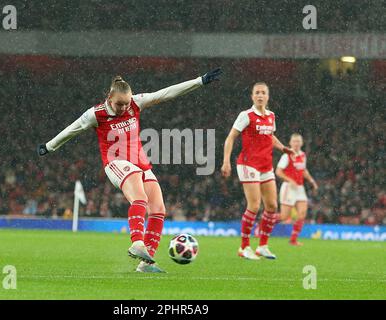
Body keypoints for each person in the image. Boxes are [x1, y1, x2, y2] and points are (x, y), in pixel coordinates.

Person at [38, 69, 222, 272]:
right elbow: (73, 129)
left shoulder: (136, 103)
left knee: (158, 209)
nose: (124, 107)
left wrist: (199, 81)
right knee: (139, 197)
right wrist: (49, 146)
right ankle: (137, 241)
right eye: (119, 104)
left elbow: (166, 93)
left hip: (140, 162)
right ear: (110, 97)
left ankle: (146, 262)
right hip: (116, 163)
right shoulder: (96, 114)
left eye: (126, 103)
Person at [221, 82, 294, 260]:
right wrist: (226, 161)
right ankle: (244, 247)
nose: (260, 95)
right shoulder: (246, 115)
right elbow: (231, 137)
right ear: (252, 96)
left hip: (265, 165)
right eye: (257, 93)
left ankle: (262, 246)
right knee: (254, 205)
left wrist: (283, 148)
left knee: (271, 206)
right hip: (248, 164)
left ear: (268, 96)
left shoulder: (271, 116)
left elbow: (270, 136)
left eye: (263, 93)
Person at [276, 133, 318, 246]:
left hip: (299, 188)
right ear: (290, 143)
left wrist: (312, 181)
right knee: (284, 217)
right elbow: (278, 172)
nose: (296, 143)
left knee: (302, 213)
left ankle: (293, 240)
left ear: (302, 143)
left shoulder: (303, 155)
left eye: (298, 141)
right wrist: (290, 180)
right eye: (294, 141)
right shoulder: (286, 155)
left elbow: (303, 170)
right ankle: (261, 225)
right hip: (288, 187)